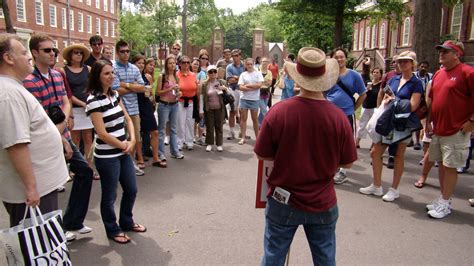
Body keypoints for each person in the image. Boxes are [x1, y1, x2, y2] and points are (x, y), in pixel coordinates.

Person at [254, 47, 356, 265]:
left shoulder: (279, 112)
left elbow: (263, 155)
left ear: (296, 75)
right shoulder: (338, 117)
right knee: (325, 260)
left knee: (273, 257)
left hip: (283, 199)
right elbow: (347, 161)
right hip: (323, 200)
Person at [23, 33, 93, 241]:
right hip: (44, 141)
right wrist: (60, 134)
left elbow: (65, 100)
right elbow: (38, 117)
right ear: (35, 53)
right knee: (48, 189)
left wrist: (63, 127)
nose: (52, 53)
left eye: (53, 49)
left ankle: (73, 222)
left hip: (62, 135)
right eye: (47, 50)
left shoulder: (56, 75)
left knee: (85, 172)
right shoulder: (29, 82)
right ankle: (48, 236)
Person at [0, 34, 68, 228]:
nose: (28, 56)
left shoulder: (13, 88)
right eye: (23, 53)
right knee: (37, 246)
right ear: (8, 58)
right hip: (31, 191)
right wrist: (31, 188)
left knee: (44, 242)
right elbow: (16, 144)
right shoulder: (8, 94)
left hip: (40, 186)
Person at [85, 59, 147, 244]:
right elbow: (102, 133)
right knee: (110, 195)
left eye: (112, 72)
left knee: (131, 189)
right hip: (107, 156)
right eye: (106, 73)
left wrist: (133, 140)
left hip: (124, 151)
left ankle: (127, 221)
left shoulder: (114, 95)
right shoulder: (93, 100)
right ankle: (112, 229)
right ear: (97, 76)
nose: (111, 76)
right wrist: (124, 145)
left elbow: (127, 118)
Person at [359, 51, 423, 202]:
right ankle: (377, 185)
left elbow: (413, 105)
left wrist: (394, 102)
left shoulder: (416, 83)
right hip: (388, 120)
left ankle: (394, 189)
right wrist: (387, 101)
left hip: (402, 123)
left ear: (412, 63)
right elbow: (384, 95)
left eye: (405, 61)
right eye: (399, 61)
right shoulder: (393, 79)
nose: (402, 64)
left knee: (398, 155)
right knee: (375, 152)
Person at [425, 40, 474, 219]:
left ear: (457, 54)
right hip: (439, 129)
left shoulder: (468, 72)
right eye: (440, 51)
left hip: (456, 130)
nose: (441, 54)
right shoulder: (438, 74)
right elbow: (432, 99)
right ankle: (443, 199)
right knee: (441, 165)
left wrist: (471, 121)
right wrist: (428, 122)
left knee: (450, 166)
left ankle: (445, 202)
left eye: (446, 51)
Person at [326, 48, 367, 184]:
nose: (339, 59)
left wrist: (353, 108)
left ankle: (343, 171)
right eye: (336, 57)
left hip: (347, 114)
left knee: (346, 142)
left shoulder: (354, 75)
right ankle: (331, 167)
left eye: (341, 57)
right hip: (330, 115)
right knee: (330, 141)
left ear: (345, 58)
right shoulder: (329, 75)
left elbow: (363, 94)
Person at [62, 43, 98, 180]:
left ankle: (89, 167)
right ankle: (75, 169)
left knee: (88, 138)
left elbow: (92, 86)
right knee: (75, 139)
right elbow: (67, 93)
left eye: (80, 53)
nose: (78, 55)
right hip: (74, 109)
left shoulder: (87, 69)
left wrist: (90, 101)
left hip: (88, 108)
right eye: (75, 52)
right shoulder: (64, 71)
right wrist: (81, 103)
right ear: (70, 55)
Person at [112, 40, 146, 176]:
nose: (126, 54)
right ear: (117, 52)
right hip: (118, 110)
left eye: (127, 51)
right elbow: (114, 89)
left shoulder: (134, 68)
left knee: (135, 138)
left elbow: (142, 87)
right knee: (120, 139)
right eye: (122, 51)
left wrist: (125, 84)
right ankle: (121, 166)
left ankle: (130, 165)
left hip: (134, 109)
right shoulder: (113, 68)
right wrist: (133, 86)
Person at [131, 55, 163, 168]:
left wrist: (151, 96)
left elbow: (151, 92)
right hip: (135, 105)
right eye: (138, 63)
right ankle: (140, 159)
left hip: (146, 105)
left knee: (154, 132)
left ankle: (155, 158)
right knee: (138, 134)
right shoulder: (131, 77)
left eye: (142, 63)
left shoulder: (148, 77)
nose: (141, 65)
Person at [157, 56, 184, 160]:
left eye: (174, 63)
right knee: (162, 129)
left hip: (175, 104)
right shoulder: (162, 77)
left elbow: (177, 91)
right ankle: (161, 153)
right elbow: (158, 92)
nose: (172, 65)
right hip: (164, 105)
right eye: (170, 63)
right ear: (166, 65)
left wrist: (179, 93)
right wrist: (169, 89)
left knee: (173, 129)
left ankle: (175, 151)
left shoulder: (177, 77)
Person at [199, 65, 228, 152]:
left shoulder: (221, 82)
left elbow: (229, 93)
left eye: (214, 71)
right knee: (209, 127)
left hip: (219, 108)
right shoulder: (204, 84)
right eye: (210, 72)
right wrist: (201, 110)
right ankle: (209, 143)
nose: (213, 73)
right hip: (209, 108)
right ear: (207, 73)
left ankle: (219, 144)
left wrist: (225, 89)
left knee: (219, 126)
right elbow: (201, 97)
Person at [237, 58, 264, 145]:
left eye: (251, 64)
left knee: (255, 119)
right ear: (245, 65)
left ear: (253, 64)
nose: (249, 65)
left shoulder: (258, 73)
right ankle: (243, 138)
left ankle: (258, 138)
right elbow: (240, 87)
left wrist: (247, 86)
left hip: (254, 99)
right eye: (247, 64)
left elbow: (259, 85)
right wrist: (252, 87)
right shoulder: (243, 74)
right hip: (244, 99)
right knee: (243, 119)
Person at [356, 67, 383, 148]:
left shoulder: (381, 85)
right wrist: (366, 89)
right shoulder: (368, 83)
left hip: (375, 108)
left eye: (377, 72)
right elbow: (361, 93)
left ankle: (373, 144)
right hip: (365, 106)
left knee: (373, 126)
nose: (375, 74)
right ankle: (357, 141)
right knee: (362, 125)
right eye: (374, 72)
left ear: (381, 75)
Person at [177, 55, 199, 151]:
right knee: (180, 122)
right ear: (180, 64)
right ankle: (179, 142)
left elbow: (197, 89)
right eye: (183, 62)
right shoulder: (176, 75)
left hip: (191, 101)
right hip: (180, 101)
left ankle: (189, 141)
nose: (186, 64)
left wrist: (198, 103)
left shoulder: (193, 75)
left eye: (188, 62)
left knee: (190, 122)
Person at [226, 49, 245, 140]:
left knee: (242, 112)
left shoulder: (245, 66)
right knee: (232, 111)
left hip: (243, 91)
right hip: (233, 90)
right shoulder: (229, 67)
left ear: (240, 56)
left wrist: (236, 77)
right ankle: (231, 132)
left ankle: (242, 133)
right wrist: (240, 78)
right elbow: (230, 80)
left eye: (236, 55)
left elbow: (246, 79)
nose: (234, 57)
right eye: (233, 56)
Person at [258, 57, 272, 126]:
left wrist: (262, 81)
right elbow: (257, 82)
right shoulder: (257, 71)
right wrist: (265, 81)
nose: (265, 63)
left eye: (266, 61)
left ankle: (259, 124)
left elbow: (270, 83)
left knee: (262, 110)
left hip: (266, 92)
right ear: (261, 62)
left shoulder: (269, 72)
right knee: (264, 110)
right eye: (263, 61)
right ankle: (269, 124)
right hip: (259, 92)